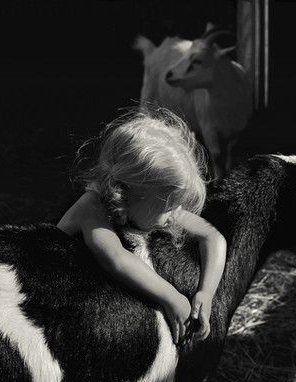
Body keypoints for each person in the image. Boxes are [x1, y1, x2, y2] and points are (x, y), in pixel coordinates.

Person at [58, 109, 226, 344]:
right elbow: (116, 258)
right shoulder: (92, 207)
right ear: (130, 190)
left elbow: (212, 237)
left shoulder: (149, 202)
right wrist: (172, 297)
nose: (173, 215)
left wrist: (206, 293)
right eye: (166, 206)